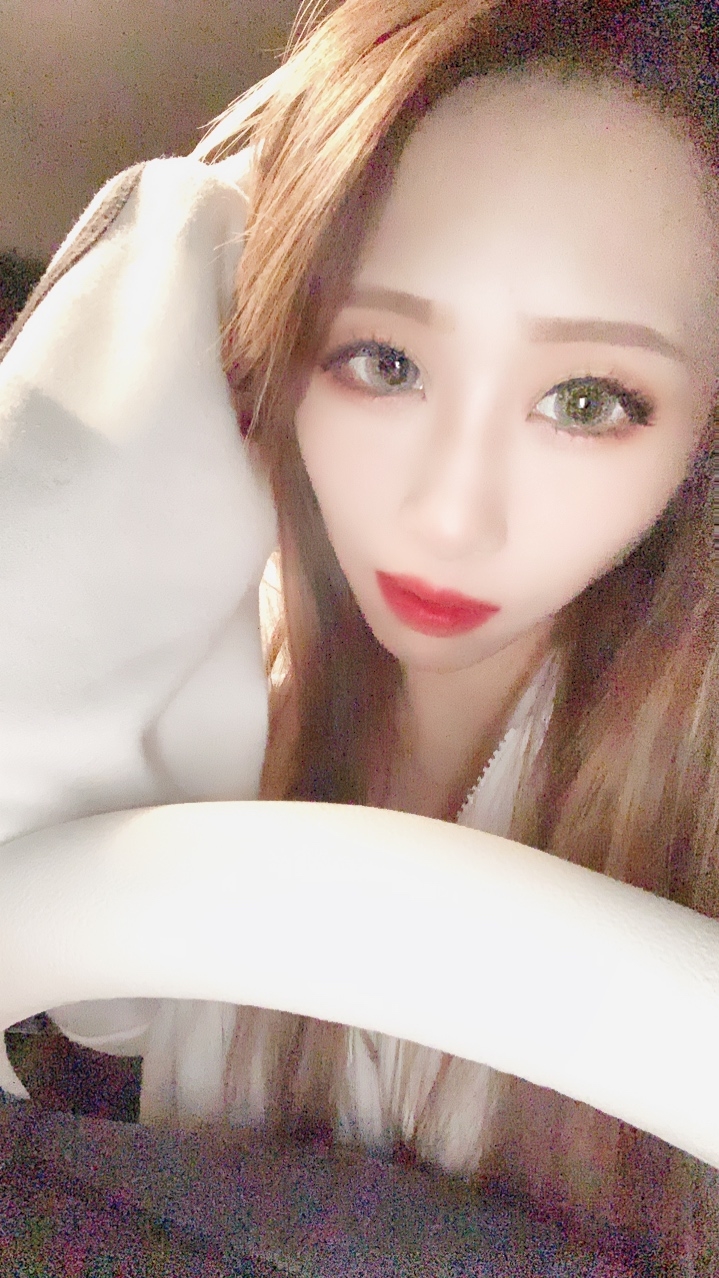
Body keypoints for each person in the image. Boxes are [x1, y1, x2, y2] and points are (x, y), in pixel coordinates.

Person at [1, 0, 718, 1268]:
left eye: (586, 399)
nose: (448, 516)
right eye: (381, 361)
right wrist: (195, 238)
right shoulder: (195, 738)